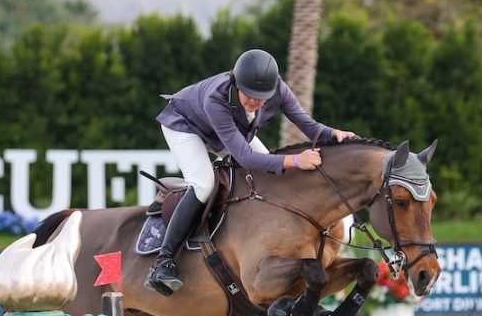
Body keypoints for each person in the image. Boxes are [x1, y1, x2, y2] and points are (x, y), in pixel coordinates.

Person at [145, 48, 356, 296]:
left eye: (262, 97)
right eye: (249, 95)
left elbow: (306, 124)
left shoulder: (278, 89)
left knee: (268, 175)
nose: (256, 102)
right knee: (204, 184)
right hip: (185, 125)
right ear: (236, 83)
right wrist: (296, 160)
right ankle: (163, 262)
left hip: (227, 130)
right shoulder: (216, 98)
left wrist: (333, 134)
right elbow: (244, 157)